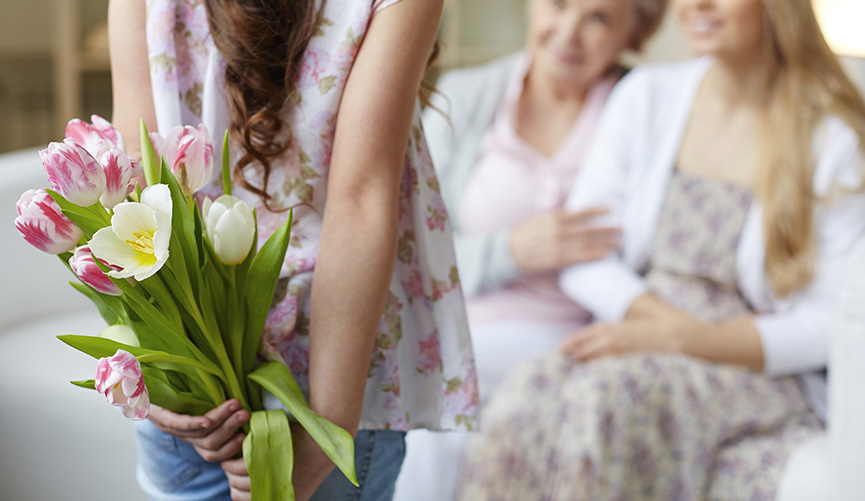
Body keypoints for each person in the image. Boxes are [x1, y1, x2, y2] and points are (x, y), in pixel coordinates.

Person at [458, 0, 865, 499]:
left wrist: (683, 338)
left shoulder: (833, 137)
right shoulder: (648, 97)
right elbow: (587, 257)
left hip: (746, 364)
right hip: (641, 330)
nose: (697, 6)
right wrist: (656, 326)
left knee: (603, 403)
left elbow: (826, 325)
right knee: (522, 398)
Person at [108, 0, 478, 500]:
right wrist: (144, 372)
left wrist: (325, 429)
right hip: (210, 368)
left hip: (315, 376)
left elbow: (361, 202)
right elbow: (132, 176)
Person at [393, 0, 666, 499]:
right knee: (429, 409)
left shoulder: (644, 112)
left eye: (598, 18)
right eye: (558, 5)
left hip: (574, 334)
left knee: (435, 402)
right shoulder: (467, 95)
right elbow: (410, 252)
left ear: (633, 34)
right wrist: (510, 250)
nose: (568, 33)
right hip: (462, 322)